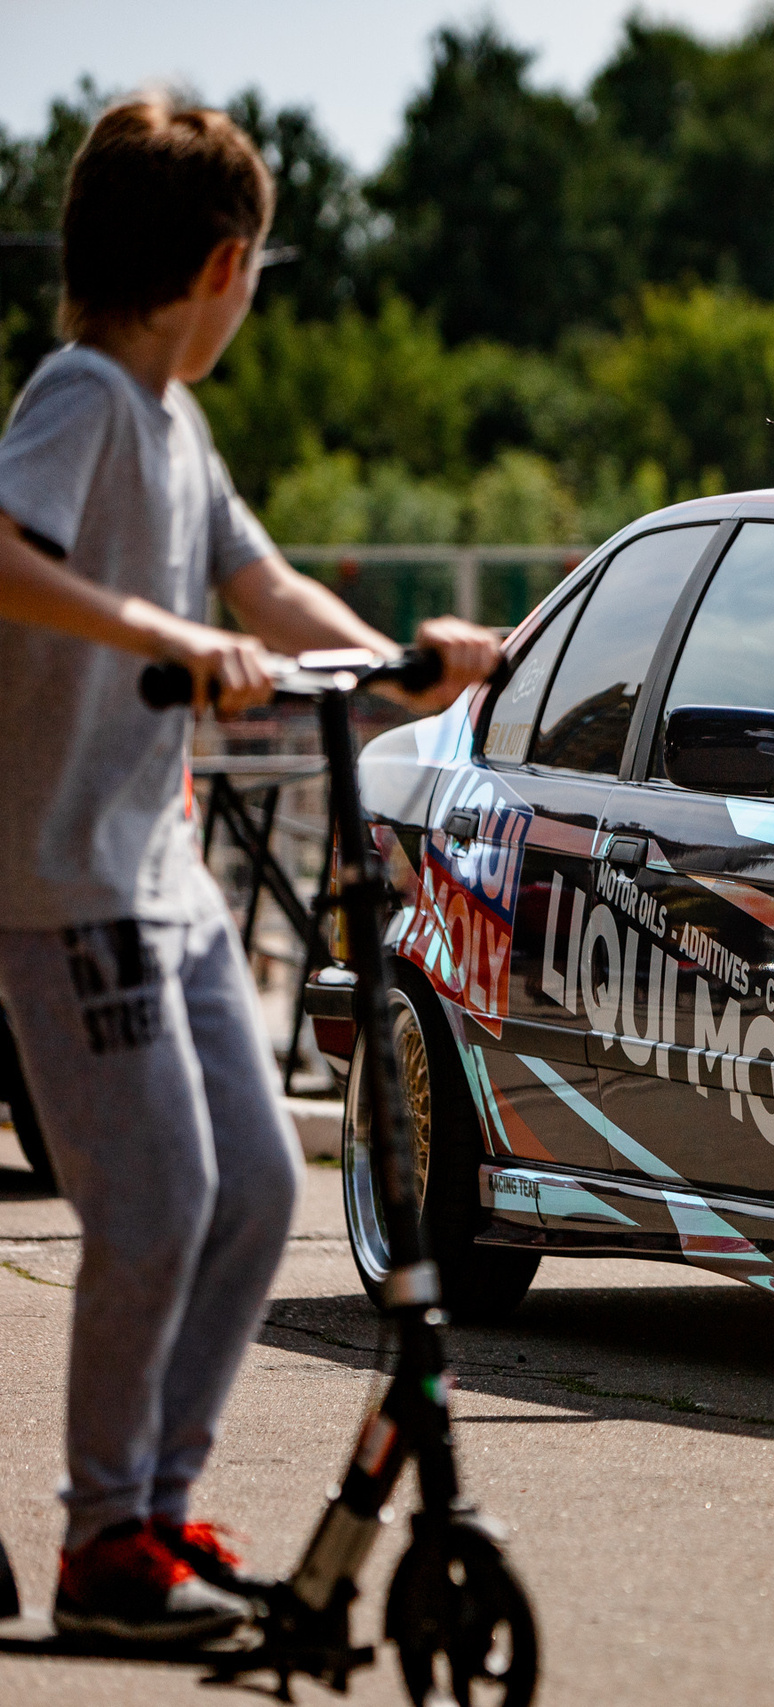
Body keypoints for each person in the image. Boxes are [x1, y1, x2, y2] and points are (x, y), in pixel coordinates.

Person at [0, 96, 499, 1643]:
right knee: (154, 1203)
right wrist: (178, 644)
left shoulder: (175, 422)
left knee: (258, 1183)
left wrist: (406, 666)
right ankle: (102, 1550)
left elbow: (257, 582)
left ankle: (156, 1507)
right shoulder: (80, 398)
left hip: (160, 872)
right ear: (223, 266)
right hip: (61, 879)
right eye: (259, 267)